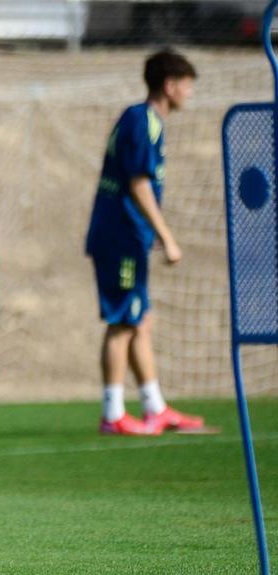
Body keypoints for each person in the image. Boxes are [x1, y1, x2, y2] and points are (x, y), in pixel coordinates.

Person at [86, 50, 203, 436]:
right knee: (123, 321)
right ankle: (113, 414)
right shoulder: (143, 121)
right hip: (120, 236)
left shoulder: (142, 119)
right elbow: (138, 186)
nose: (189, 93)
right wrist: (167, 237)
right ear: (170, 85)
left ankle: (155, 408)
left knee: (140, 320)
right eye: (186, 85)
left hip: (128, 235)